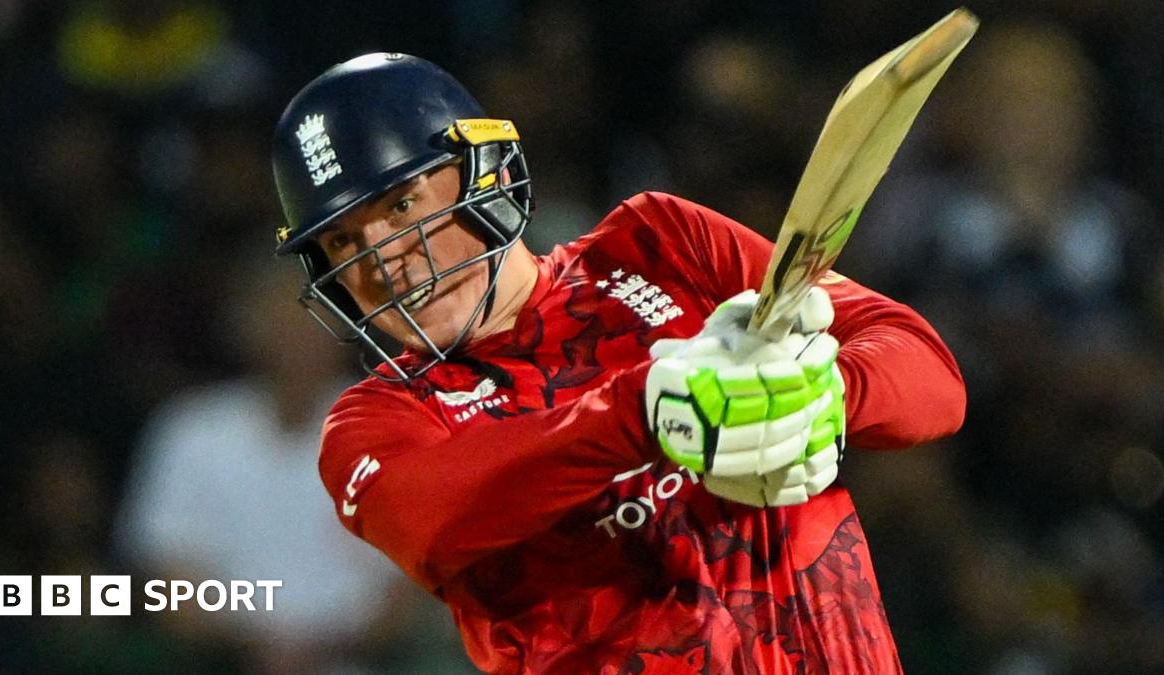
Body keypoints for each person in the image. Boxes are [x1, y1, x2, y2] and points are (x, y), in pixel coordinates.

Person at [270, 52, 965, 674]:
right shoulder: (374, 421)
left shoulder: (658, 241)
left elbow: (930, 374)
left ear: (488, 173)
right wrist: (647, 408)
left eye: (401, 204)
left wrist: (818, 393)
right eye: (343, 242)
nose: (384, 260)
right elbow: (431, 520)